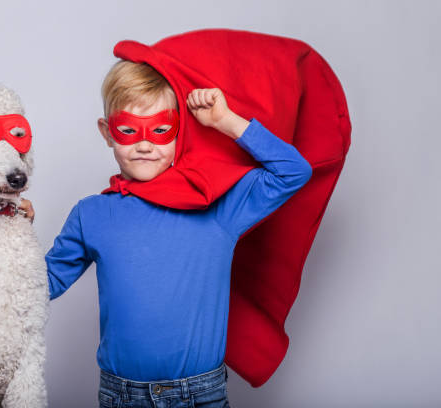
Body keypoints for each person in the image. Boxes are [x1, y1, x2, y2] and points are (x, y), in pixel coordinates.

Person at [20, 60, 312, 407]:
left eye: (160, 130)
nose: (145, 145)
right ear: (107, 131)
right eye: (129, 130)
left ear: (179, 130)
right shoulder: (93, 214)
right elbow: (40, 286)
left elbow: (293, 172)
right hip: (122, 396)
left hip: (200, 395)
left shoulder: (218, 206)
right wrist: (14, 237)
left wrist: (225, 122)